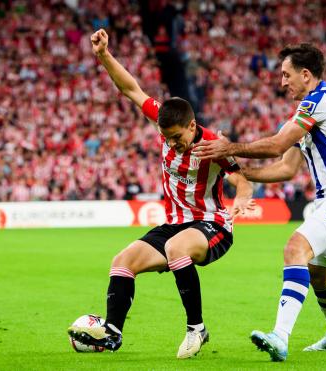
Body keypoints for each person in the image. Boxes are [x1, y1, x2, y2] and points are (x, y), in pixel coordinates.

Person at [67, 29, 254, 359]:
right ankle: (112, 332)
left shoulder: (213, 145)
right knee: (122, 261)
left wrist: (240, 199)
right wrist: (103, 55)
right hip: (176, 225)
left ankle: (196, 328)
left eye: (177, 137)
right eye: (165, 137)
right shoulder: (163, 120)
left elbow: (241, 179)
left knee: (175, 247)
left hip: (213, 227)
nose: (171, 143)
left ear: (193, 126)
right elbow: (131, 89)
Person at [194, 43, 326, 361]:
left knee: (295, 249)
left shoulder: (320, 102)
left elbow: (277, 145)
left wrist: (228, 147)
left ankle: (280, 336)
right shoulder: (307, 112)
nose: (282, 82)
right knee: (319, 274)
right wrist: (237, 170)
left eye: (286, 74)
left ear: (306, 74)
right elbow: (286, 168)